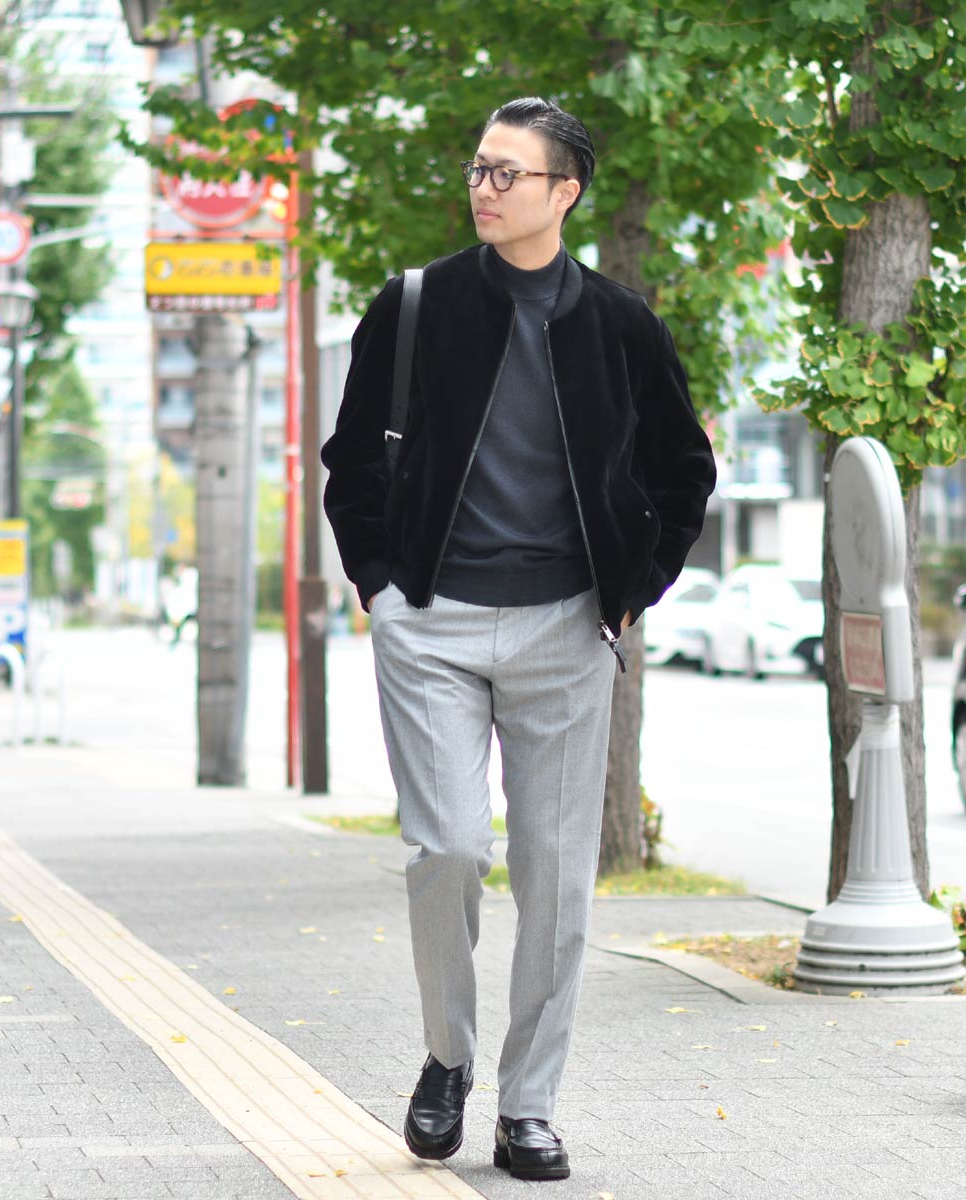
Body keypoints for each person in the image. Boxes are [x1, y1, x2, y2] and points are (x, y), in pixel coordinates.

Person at [321, 97, 716, 1182]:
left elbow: (684, 470)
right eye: (478, 169)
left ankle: (529, 1106)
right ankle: (448, 1058)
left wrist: (632, 591)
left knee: (555, 877)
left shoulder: (622, 326)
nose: (485, 188)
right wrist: (381, 585)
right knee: (448, 847)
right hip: (432, 624)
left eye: (508, 173)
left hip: (566, 626)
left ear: (564, 192)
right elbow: (351, 459)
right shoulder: (416, 305)